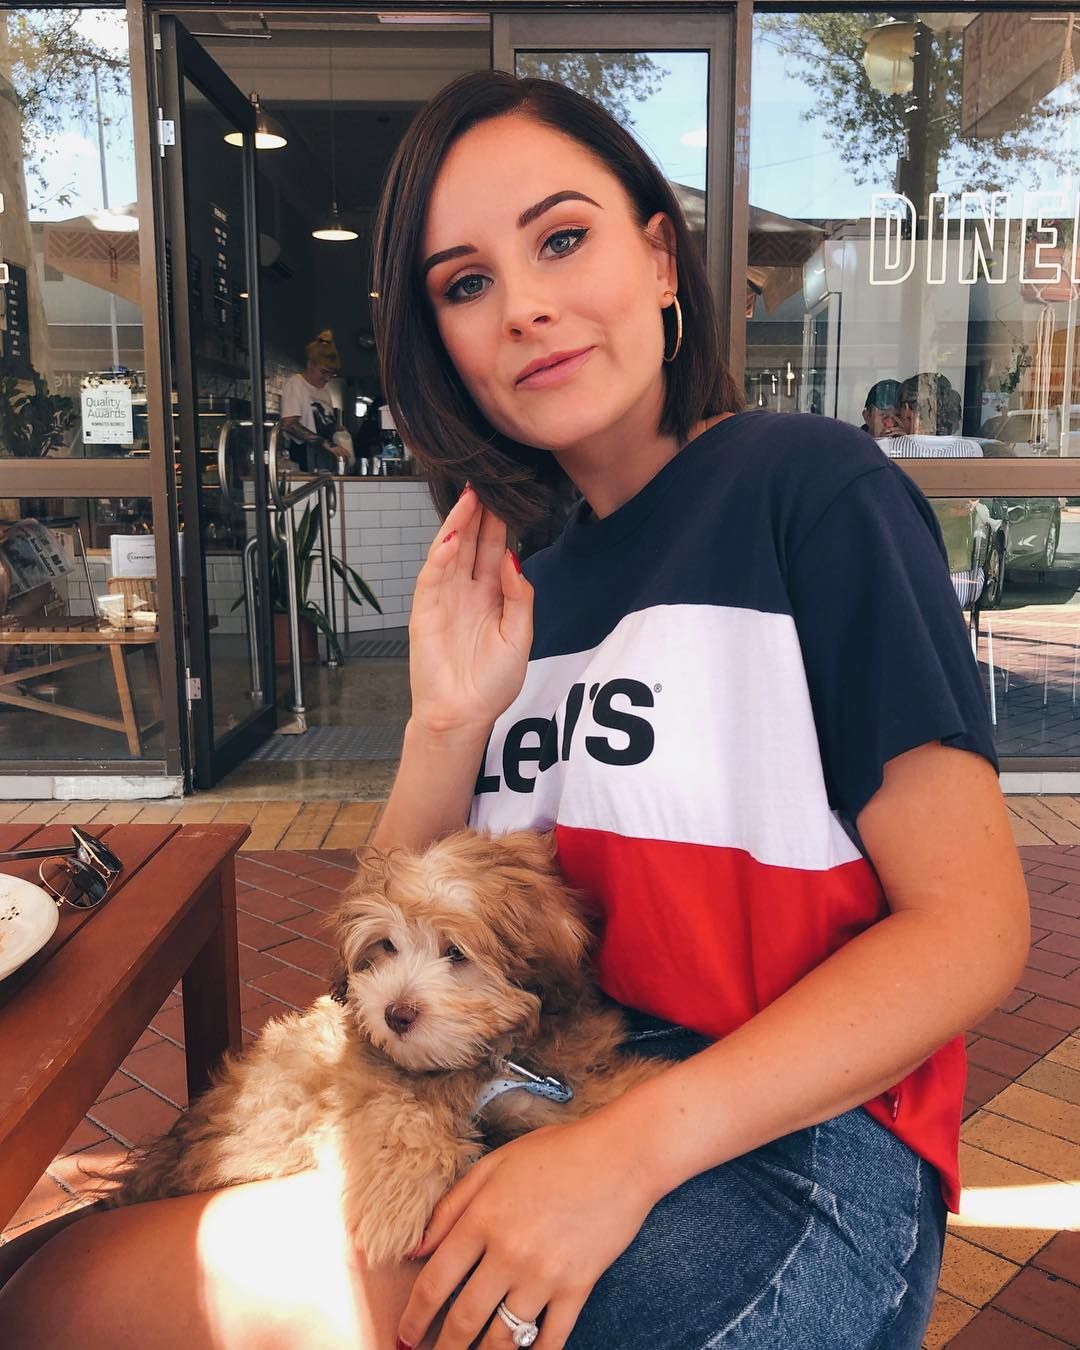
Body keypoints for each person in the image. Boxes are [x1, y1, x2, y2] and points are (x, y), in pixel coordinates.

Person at [0, 72, 1030, 1350]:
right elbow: (381, 952)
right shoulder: (525, 574)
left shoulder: (806, 490)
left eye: (562, 238)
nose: (524, 306)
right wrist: (444, 724)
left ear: (660, 259)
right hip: (534, 1092)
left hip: (788, 1150)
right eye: (466, 283)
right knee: (51, 1268)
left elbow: (973, 928)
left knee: (71, 1301)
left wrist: (628, 1152)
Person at [279, 330, 352, 473]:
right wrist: (326, 444)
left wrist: (337, 430)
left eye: (331, 373)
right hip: (304, 457)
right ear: (310, 364)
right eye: (324, 372)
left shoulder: (325, 391)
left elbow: (322, 423)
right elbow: (289, 424)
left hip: (325, 459)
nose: (327, 378)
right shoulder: (296, 384)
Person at [881, 372, 983, 458]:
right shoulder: (972, 449)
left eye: (899, 411)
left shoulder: (887, 449)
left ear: (906, 409)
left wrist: (897, 441)